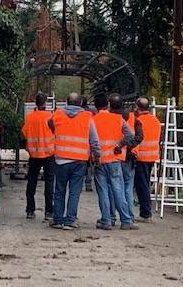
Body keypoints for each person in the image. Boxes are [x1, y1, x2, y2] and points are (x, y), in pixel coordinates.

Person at [49, 93, 100, 230]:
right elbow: (94, 140)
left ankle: (57, 219)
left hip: (61, 159)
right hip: (79, 160)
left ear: (66, 102)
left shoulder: (57, 114)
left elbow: (50, 124)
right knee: (74, 192)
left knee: (59, 190)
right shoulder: (87, 117)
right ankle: (70, 220)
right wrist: (97, 156)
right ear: (80, 103)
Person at [93, 93, 138, 230]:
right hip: (114, 160)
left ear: (95, 106)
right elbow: (131, 136)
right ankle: (125, 220)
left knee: (103, 191)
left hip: (99, 160)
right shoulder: (118, 119)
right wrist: (120, 144)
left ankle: (106, 220)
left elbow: (91, 140)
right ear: (108, 105)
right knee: (118, 189)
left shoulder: (93, 120)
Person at [109, 93, 143, 224]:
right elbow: (139, 136)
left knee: (113, 187)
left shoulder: (109, 117)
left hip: (114, 155)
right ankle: (129, 216)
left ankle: (111, 217)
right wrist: (129, 147)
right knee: (128, 188)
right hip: (129, 157)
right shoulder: (133, 118)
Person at [21, 93, 55, 220]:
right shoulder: (51, 117)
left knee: (31, 182)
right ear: (45, 102)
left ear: (35, 103)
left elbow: (24, 132)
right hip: (48, 154)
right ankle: (49, 212)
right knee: (49, 182)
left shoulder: (30, 118)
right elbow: (56, 132)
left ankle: (30, 210)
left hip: (34, 154)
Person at [133, 97, 162, 222]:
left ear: (137, 107)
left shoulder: (138, 121)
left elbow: (136, 139)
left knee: (142, 185)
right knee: (145, 183)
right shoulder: (155, 120)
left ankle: (145, 213)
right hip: (152, 156)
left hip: (141, 157)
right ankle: (145, 212)